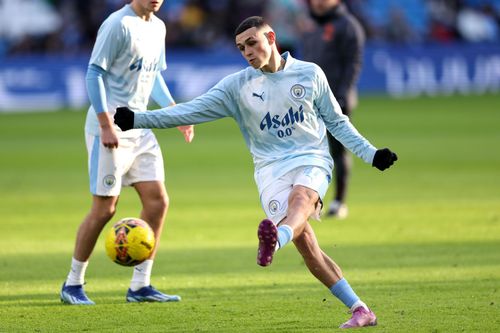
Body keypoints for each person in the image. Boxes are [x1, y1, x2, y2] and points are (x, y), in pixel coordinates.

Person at [114, 16, 397, 328]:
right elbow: (188, 110)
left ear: (271, 38)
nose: (247, 52)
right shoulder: (237, 87)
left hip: (311, 158)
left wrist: (371, 154)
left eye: (252, 43)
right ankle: (360, 309)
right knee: (309, 249)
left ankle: (274, 242)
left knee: (301, 198)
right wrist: (138, 119)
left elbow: (337, 122)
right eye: (240, 48)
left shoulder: (309, 73)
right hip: (269, 170)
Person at [60, 0, 194, 305]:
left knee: (158, 202)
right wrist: (105, 124)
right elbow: (93, 73)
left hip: (140, 125)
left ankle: (140, 286)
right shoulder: (117, 24)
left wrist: (174, 112)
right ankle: (73, 283)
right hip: (110, 128)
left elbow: (153, 75)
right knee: (105, 208)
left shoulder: (158, 27)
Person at [302, 0, 366, 218]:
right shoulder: (310, 25)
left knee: (337, 151)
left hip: (336, 98)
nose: (318, 2)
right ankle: (310, 202)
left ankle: (339, 201)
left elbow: (354, 64)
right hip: (309, 100)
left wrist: (343, 95)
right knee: (307, 151)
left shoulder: (348, 25)